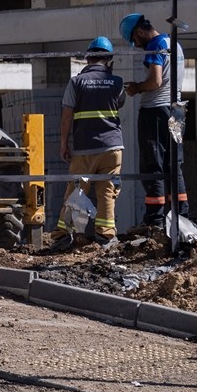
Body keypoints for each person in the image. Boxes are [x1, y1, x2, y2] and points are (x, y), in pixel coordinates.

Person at [49, 37, 126, 251]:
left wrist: (64, 144)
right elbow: (120, 102)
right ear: (109, 59)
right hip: (112, 148)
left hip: (85, 148)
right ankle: (106, 237)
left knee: (75, 192)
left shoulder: (76, 82)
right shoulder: (117, 82)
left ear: (88, 58)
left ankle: (63, 235)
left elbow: (66, 116)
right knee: (107, 192)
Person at [119, 12, 188, 227]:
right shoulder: (173, 42)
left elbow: (156, 81)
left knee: (153, 166)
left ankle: (155, 220)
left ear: (140, 31)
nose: (137, 45)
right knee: (173, 165)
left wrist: (136, 87)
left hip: (155, 112)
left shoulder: (154, 45)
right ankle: (181, 218)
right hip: (176, 112)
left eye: (135, 40)